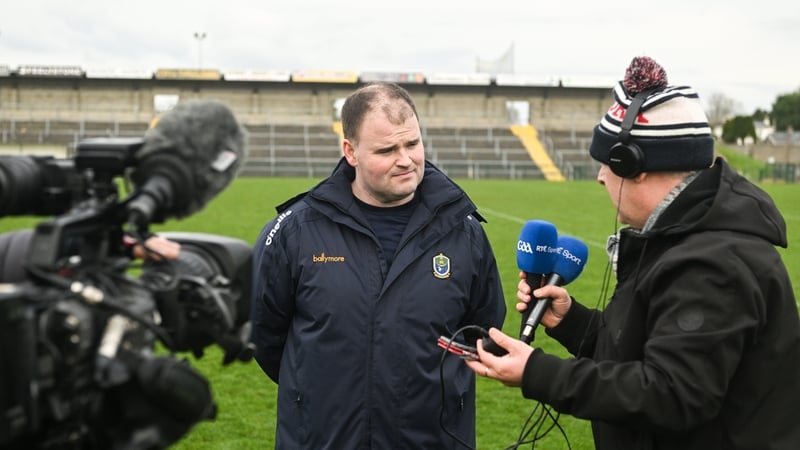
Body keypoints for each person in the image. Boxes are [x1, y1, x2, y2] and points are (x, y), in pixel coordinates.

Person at [465, 56, 800, 449]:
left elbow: (671, 394)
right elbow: (643, 352)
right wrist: (570, 321)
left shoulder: (713, 263)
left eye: (607, 163)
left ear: (633, 165)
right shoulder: (675, 236)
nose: (600, 176)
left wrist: (538, 373)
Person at [250, 81, 506, 449]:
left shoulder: (463, 232)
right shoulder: (295, 232)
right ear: (350, 152)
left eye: (412, 144)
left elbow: (483, 327)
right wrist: (315, 394)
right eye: (387, 150)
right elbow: (264, 334)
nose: (405, 160)